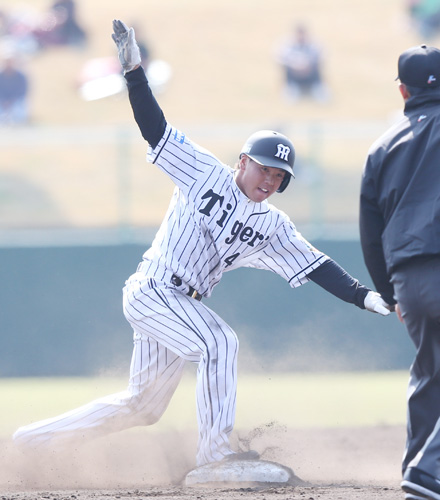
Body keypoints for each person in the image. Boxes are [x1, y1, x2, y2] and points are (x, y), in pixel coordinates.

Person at [13, 20, 390, 471]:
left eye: (279, 177)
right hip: (154, 289)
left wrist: (365, 297)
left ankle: (33, 440)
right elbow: (156, 129)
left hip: (180, 303)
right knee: (219, 342)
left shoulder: (272, 224)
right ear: (243, 162)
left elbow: (316, 266)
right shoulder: (204, 173)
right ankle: (215, 455)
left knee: (143, 406)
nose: (270, 181)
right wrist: (133, 72)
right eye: (265, 169)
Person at [359, 44, 440, 500]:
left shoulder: (382, 146)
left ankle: (417, 474)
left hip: (410, 279)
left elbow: (371, 235)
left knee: (432, 371)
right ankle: (431, 468)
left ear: (403, 89)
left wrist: (392, 295)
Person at [276, 24, 329, 103]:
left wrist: (308, 66)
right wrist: (295, 67)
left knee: (317, 68)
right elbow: (279, 58)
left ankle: (319, 91)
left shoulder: (314, 44)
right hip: (293, 76)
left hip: (311, 75)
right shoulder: (287, 45)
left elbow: (322, 56)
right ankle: (290, 92)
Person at [0, 56, 29, 125]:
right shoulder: (1, 75)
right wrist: (3, 100)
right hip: (2, 101)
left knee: (19, 115)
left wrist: (12, 100)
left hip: (17, 100)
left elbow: (22, 91)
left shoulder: (21, 76)